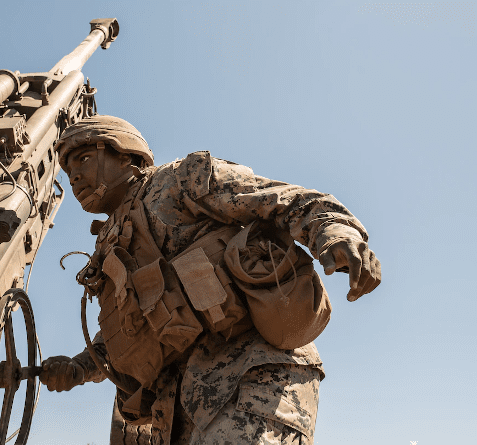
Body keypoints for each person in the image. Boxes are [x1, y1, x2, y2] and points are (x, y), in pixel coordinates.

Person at [39, 115, 381, 445]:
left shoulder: (178, 182)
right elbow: (128, 327)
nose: (75, 176)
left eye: (83, 158)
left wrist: (335, 233)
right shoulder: (108, 246)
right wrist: (80, 367)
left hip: (253, 379)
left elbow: (281, 199)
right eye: (68, 170)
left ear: (125, 153)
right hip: (177, 414)